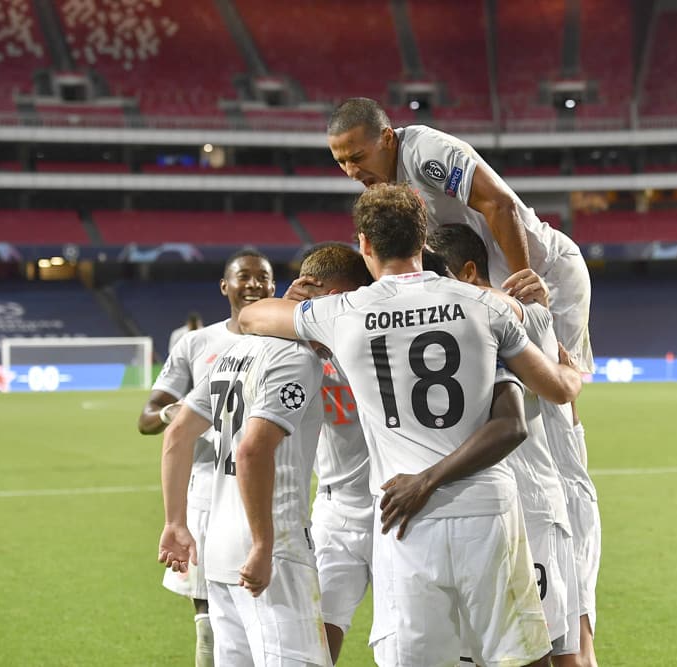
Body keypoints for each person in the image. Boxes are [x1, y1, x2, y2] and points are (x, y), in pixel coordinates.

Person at [239, 183, 583, 666]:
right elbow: (559, 390)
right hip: (489, 508)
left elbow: (252, 317)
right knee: (523, 657)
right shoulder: (483, 305)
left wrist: (295, 298)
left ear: (364, 243)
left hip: (403, 518)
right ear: (423, 241)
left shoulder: (342, 313)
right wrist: (570, 368)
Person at [324, 97, 595, 381]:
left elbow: (499, 204)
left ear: (387, 138)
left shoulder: (424, 153)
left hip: (544, 271)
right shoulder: (384, 186)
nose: (351, 172)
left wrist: (522, 279)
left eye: (357, 157)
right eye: (341, 162)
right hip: (495, 289)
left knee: (553, 393)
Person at [430, 224, 600, 667]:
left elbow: (562, 391)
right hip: (485, 508)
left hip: (537, 505)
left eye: (435, 275)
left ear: (467, 273)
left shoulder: (518, 318)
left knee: (563, 650)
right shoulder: (464, 323)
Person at [157, 319, 332, 665]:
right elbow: (252, 451)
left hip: (218, 546)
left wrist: (175, 522)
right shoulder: (296, 357)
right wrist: (264, 544)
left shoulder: (231, 354)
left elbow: (177, 433)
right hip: (272, 544)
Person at [137, 248, 276, 667]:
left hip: (269, 489)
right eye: (244, 277)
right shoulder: (198, 344)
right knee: (210, 624)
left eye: (263, 277)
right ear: (225, 286)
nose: (254, 284)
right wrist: (171, 413)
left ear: (274, 285)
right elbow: (146, 418)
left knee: (264, 615)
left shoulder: (285, 340)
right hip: (208, 489)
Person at [284, 243, 376, 663]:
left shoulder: (381, 336)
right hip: (335, 514)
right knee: (315, 638)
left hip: (399, 509)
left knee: (413, 639)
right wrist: (286, 316)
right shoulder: (292, 349)